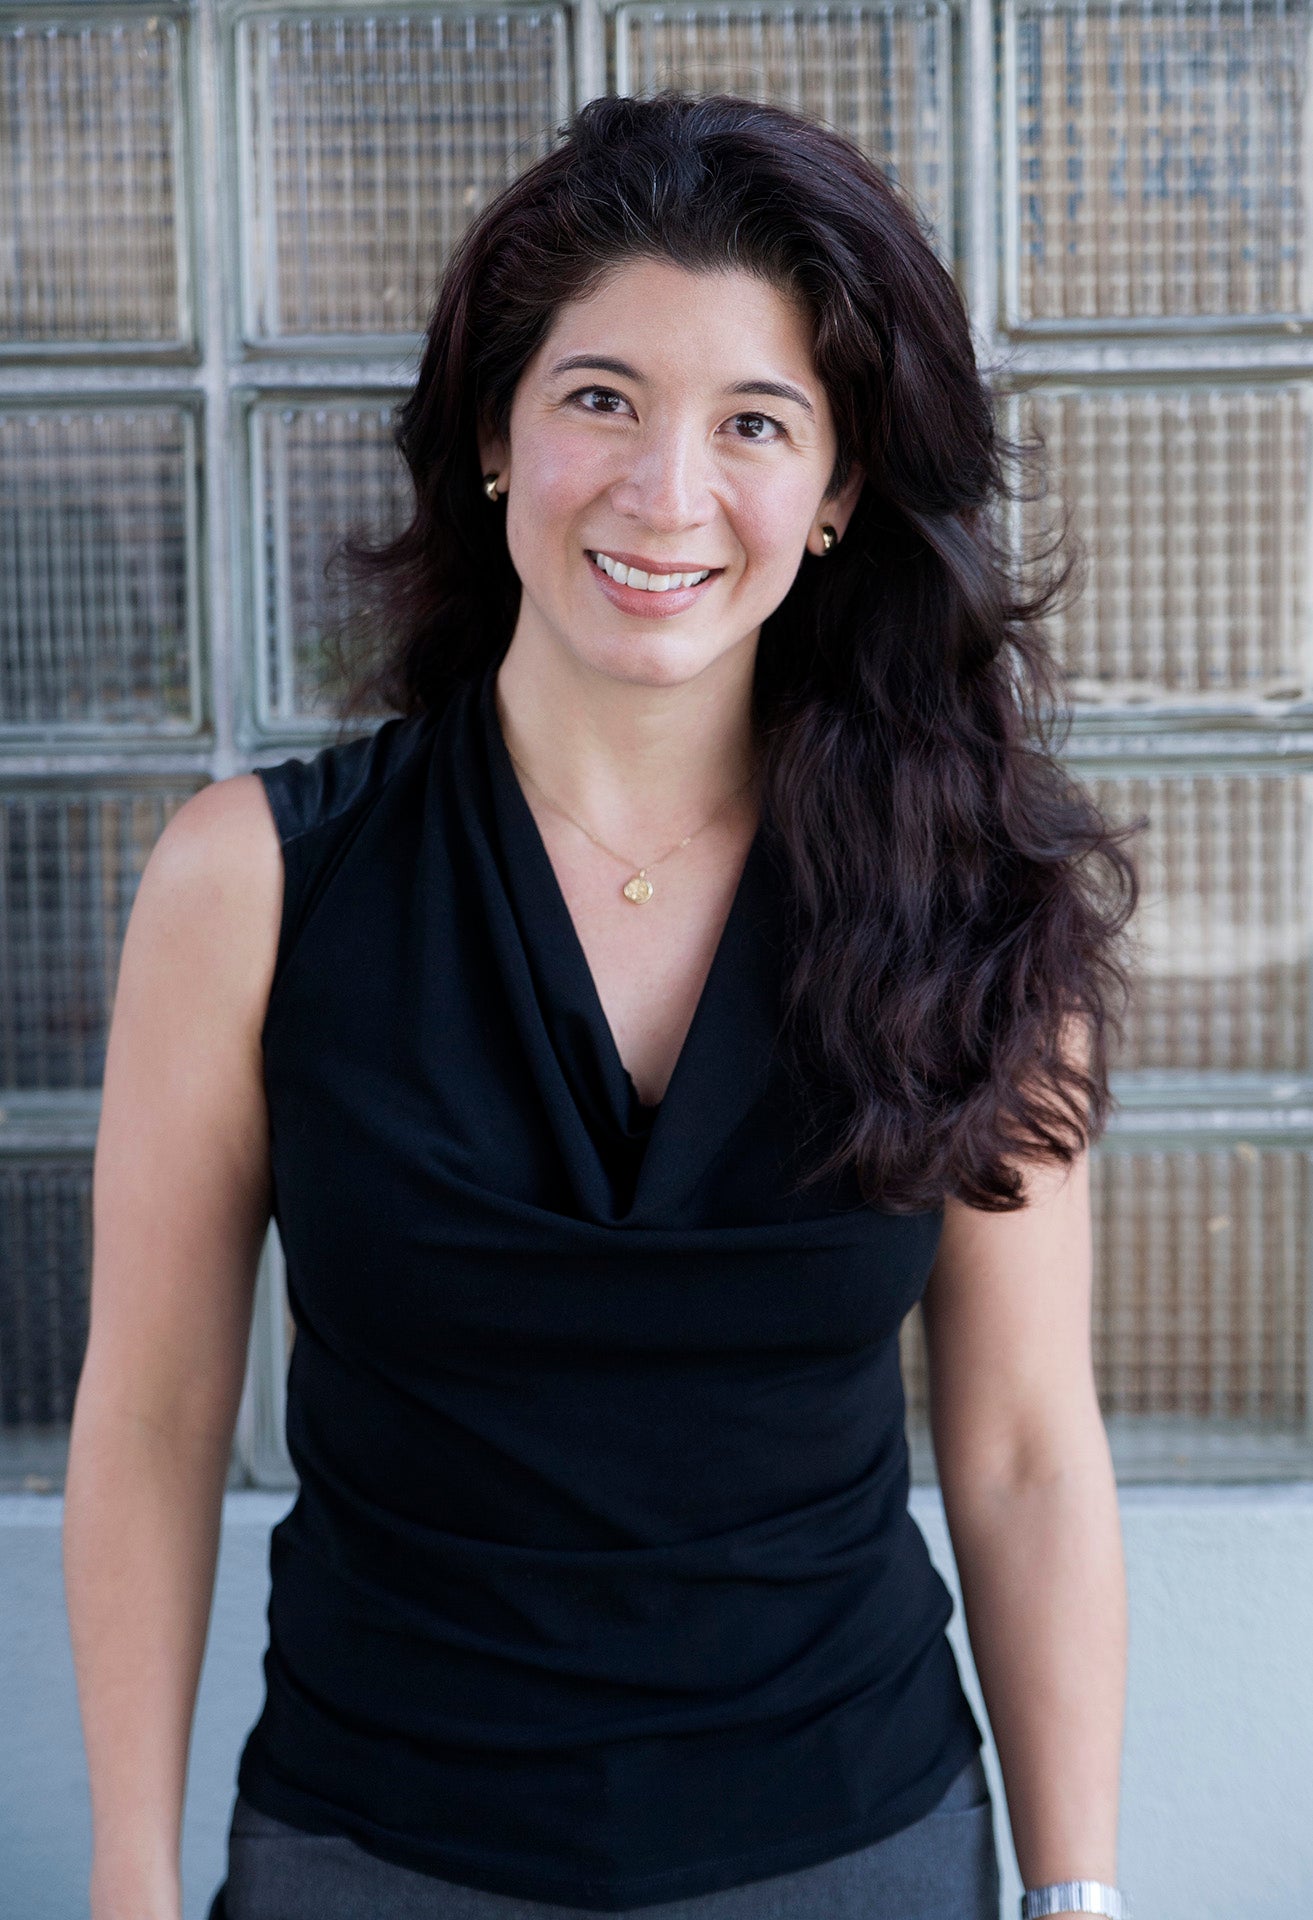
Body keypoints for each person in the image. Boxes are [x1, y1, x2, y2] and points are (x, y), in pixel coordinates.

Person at [64, 90, 1140, 1920]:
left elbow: (1029, 1447)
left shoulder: (970, 902)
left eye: (753, 424)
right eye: (598, 399)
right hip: (371, 1857)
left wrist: (1077, 1894)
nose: (665, 493)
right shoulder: (248, 882)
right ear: (493, 435)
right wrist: (130, 1887)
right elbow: (156, 1415)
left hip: (858, 1849)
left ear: (838, 493)